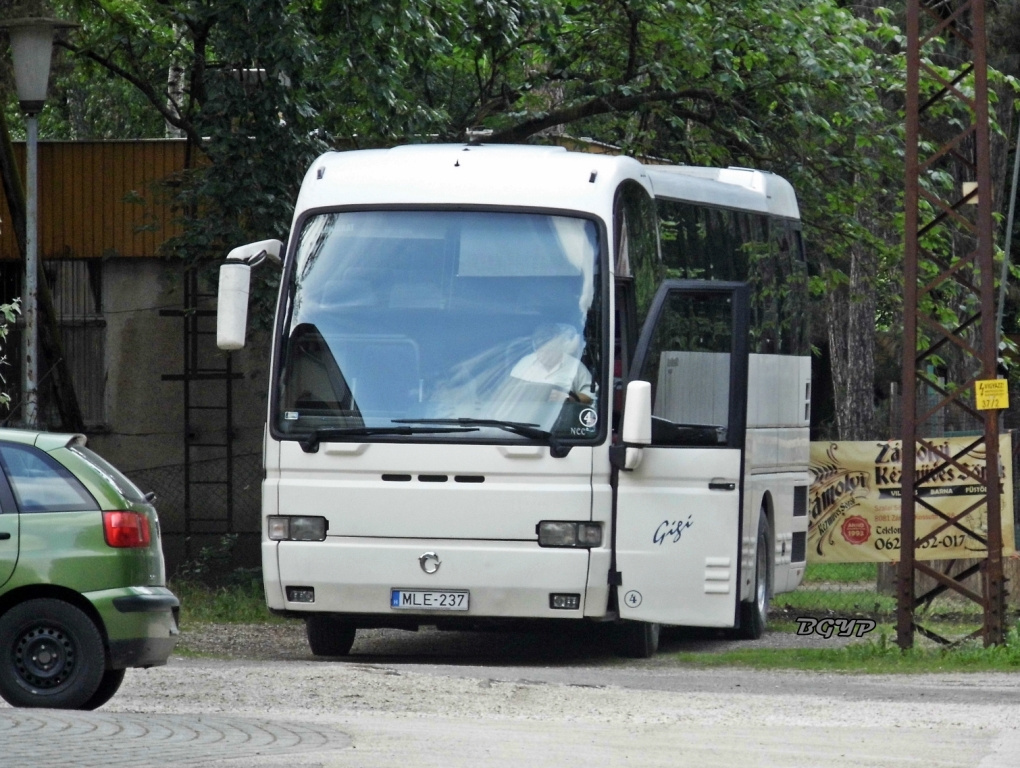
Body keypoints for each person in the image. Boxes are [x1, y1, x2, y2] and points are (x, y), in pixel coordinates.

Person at [508, 323, 593, 404]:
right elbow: (509, 393)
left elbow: (592, 395)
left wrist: (570, 398)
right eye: (542, 351)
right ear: (536, 349)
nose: (546, 355)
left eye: (550, 350)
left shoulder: (575, 367)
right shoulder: (524, 364)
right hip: (526, 416)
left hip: (561, 415)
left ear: (560, 346)